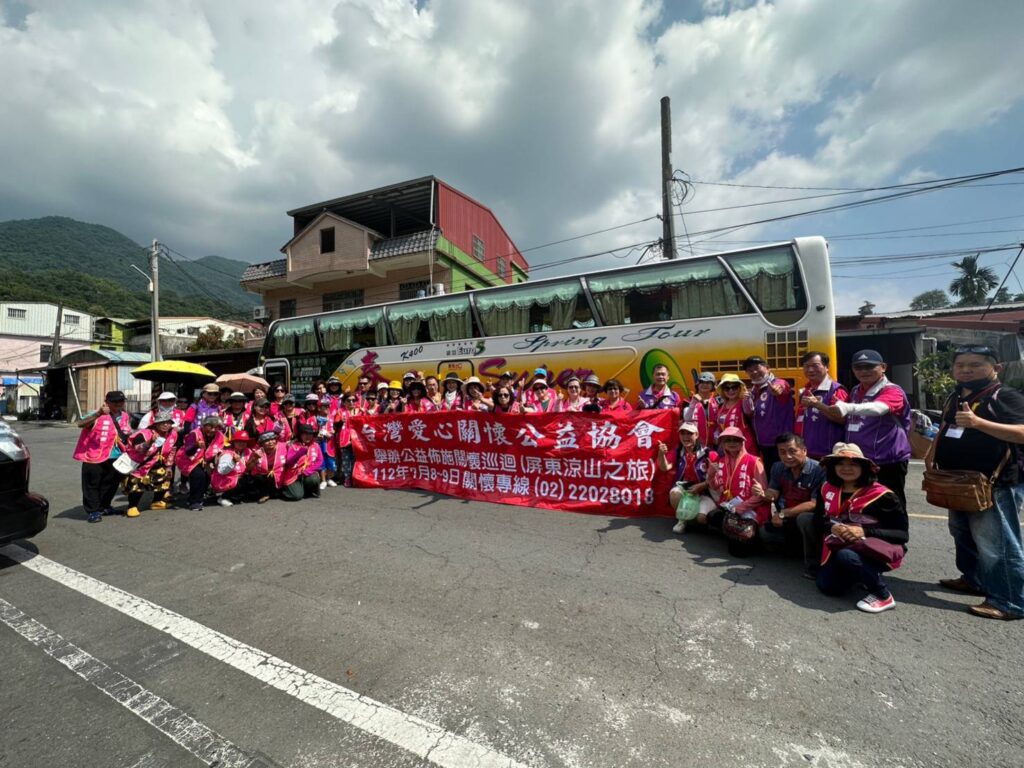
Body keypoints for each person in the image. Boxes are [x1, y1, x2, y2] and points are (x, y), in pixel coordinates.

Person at [931, 345, 1024, 620]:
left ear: (997, 368)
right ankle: (974, 579)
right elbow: (946, 427)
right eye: (960, 365)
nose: (966, 370)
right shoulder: (955, 395)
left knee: (997, 544)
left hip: (990, 482)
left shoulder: (1004, 396)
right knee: (961, 532)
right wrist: (931, 452)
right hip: (957, 480)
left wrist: (978, 423)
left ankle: (1010, 601)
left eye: (975, 364)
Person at [812, 442, 908, 614]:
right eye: (840, 463)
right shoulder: (826, 488)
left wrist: (864, 531)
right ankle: (861, 575)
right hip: (837, 545)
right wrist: (831, 528)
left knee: (847, 556)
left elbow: (902, 535)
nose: (846, 468)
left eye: (853, 464)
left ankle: (883, 594)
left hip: (874, 549)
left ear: (864, 467)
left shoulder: (883, 495)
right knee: (828, 587)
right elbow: (818, 521)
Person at [814, 349, 911, 509]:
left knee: (890, 505)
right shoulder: (855, 391)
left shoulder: (892, 390)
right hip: (860, 461)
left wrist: (846, 407)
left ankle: (896, 534)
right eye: (858, 367)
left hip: (886, 461)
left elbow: (878, 409)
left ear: (883, 367)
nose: (863, 371)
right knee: (862, 505)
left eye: (869, 366)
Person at [760, 433, 826, 576]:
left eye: (792, 451)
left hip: (808, 518)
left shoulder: (819, 470)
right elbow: (773, 493)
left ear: (804, 450)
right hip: (786, 518)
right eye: (782, 452)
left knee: (804, 519)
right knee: (764, 533)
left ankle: (814, 565)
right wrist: (763, 493)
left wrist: (783, 514)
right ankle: (796, 548)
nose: (787, 456)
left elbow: (814, 504)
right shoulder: (777, 467)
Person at [707, 426, 770, 552]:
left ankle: (749, 537)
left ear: (742, 442)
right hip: (730, 506)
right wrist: (711, 474)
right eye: (727, 440)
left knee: (738, 552)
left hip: (751, 507)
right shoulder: (722, 461)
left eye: (735, 440)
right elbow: (716, 486)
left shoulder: (754, 461)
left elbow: (761, 494)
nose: (731, 443)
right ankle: (734, 534)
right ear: (723, 444)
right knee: (712, 517)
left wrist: (740, 508)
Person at [74, 390, 133, 523]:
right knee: (92, 485)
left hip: (116, 456)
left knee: (111, 484)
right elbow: (80, 424)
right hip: (94, 456)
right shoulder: (98, 414)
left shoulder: (124, 416)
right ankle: (93, 511)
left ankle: (104, 506)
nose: (119, 404)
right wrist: (98, 413)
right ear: (107, 402)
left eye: (121, 401)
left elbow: (127, 432)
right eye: (115, 401)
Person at [657, 422, 715, 534]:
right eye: (682, 433)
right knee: (674, 493)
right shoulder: (678, 452)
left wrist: (703, 485)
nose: (685, 437)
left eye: (689, 433)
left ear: (697, 435)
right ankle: (682, 520)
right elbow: (665, 467)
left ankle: (694, 518)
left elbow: (720, 477)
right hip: (686, 491)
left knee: (701, 519)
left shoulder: (709, 454)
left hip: (705, 492)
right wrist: (661, 454)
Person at [742, 355, 795, 470]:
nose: (754, 372)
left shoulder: (778, 382)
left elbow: (782, 387)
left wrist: (777, 390)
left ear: (767, 368)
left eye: (757, 367)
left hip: (781, 445)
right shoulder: (754, 391)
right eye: (750, 370)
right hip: (762, 445)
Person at [795, 351, 848, 460]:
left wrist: (818, 405)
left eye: (815, 366)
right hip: (806, 452)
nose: (810, 370)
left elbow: (842, 419)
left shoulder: (836, 390)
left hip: (828, 454)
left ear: (827, 367)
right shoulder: (806, 390)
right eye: (806, 366)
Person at [123, 414, 178, 518]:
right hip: (143, 465)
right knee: (137, 485)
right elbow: (138, 448)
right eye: (162, 422)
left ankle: (156, 501)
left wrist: (169, 466)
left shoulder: (173, 434)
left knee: (163, 482)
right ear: (156, 423)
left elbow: (172, 450)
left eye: (168, 422)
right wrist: (150, 442)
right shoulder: (144, 434)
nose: (166, 425)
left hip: (160, 463)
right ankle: (132, 506)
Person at [176, 415, 225, 511]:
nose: (213, 429)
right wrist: (195, 445)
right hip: (188, 460)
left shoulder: (220, 435)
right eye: (210, 426)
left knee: (207, 476)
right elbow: (188, 451)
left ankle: (198, 497)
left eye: (216, 427)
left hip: (205, 460)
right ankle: (194, 502)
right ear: (203, 425)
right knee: (199, 475)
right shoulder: (194, 434)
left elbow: (219, 449)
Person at [714, 374, 758, 455]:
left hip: (745, 447)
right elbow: (718, 425)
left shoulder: (743, 402)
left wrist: (747, 399)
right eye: (727, 388)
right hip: (727, 448)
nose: (731, 391)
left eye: (734, 387)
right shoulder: (721, 405)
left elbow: (749, 411)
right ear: (723, 391)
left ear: (740, 388)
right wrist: (716, 435)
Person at [280, 423, 324, 501]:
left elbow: (320, 461)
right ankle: (285, 491)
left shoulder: (316, 445)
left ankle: (307, 490)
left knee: (314, 479)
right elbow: (289, 462)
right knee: (296, 496)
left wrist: (308, 471)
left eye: (310, 434)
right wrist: (299, 453)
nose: (308, 436)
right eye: (305, 434)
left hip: (306, 473)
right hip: (293, 474)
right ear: (300, 435)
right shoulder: (293, 445)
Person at [212, 431, 256, 506]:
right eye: (239, 441)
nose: (242, 443)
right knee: (241, 481)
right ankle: (223, 497)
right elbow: (221, 471)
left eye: (244, 441)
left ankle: (235, 495)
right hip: (223, 479)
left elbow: (248, 468)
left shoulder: (247, 451)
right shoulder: (227, 454)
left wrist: (255, 459)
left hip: (238, 477)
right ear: (234, 442)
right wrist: (233, 461)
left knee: (252, 478)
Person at [684, 372, 719, 446]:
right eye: (702, 382)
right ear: (697, 385)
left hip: (714, 445)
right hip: (694, 445)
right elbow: (687, 419)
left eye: (708, 383)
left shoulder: (718, 402)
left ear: (713, 386)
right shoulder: (688, 401)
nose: (705, 385)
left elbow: (719, 423)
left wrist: (717, 435)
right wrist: (693, 403)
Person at [248, 431, 283, 502]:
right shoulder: (257, 452)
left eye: (272, 439)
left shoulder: (283, 447)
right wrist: (255, 458)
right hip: (262, 477)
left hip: (280, 474)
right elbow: (248, 468)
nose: (270, 442)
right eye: (267, 440)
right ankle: (265, 493)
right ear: (262, 443)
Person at [334, 392, 360, 487]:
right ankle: (347, 478)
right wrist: (341, 421)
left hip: (357, 440)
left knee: (356, 460)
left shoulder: (359, 411)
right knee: (346, 461)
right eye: (348, 400)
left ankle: (355, 478)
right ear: (344, 402)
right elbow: (335, 426)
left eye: (353, 400)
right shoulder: (340, 411)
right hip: (345, 440)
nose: (351, 402)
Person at [315, 397, 337, 489]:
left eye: (328, 406)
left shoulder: (333, 417)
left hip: (330, 444)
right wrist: (317, 434)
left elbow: (337, 429)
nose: (327, 408)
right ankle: (323, 480)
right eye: (324, 406)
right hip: (320, 443)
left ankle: (329, 479)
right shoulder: (315, 418)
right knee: (321, 462)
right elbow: (312, 430)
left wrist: (331, 433)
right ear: (319, 408)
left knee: (331, 462)